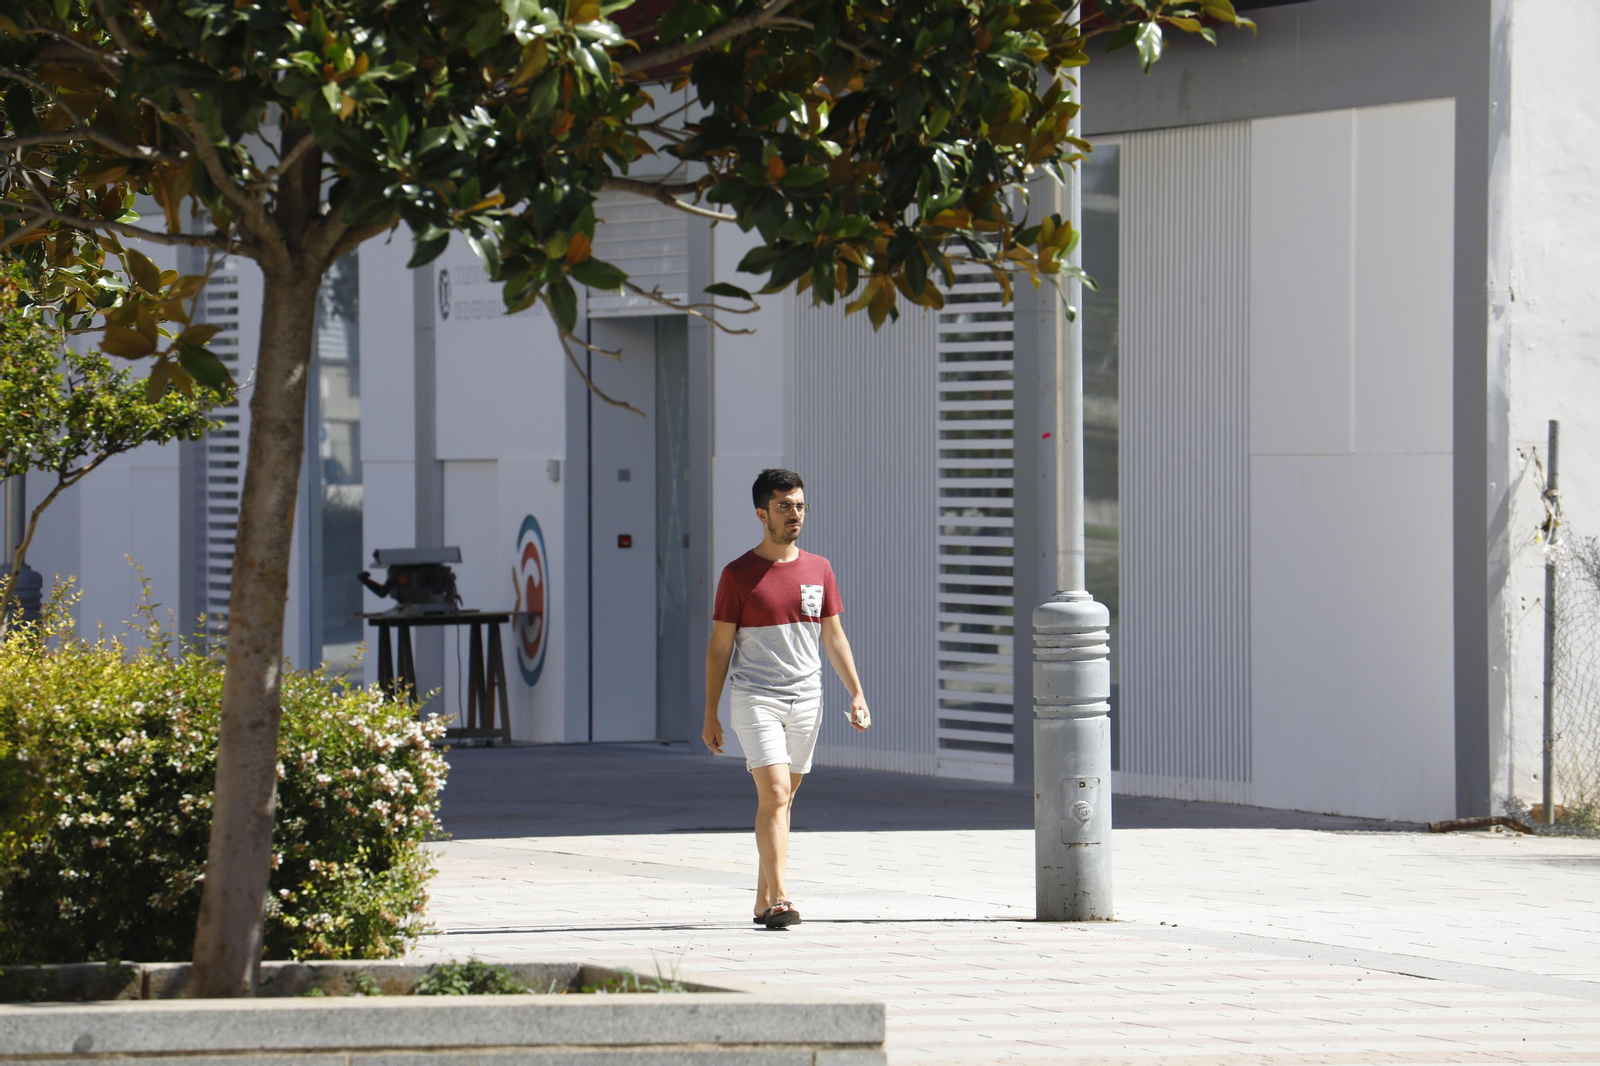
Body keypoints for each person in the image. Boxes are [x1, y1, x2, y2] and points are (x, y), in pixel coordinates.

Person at [703, 468, 869, 930]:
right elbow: (719, 647)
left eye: (799, 505)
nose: (795, 514)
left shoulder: (819, 569)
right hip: (756, 696)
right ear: (762, 514)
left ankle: (762, 900)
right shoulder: (737, 575)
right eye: (784, 506)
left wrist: (856, 693)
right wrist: (710, 712)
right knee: (775, 792)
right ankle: (780, 899)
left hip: (808, 698)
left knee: (782, 800)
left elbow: (833, 637)